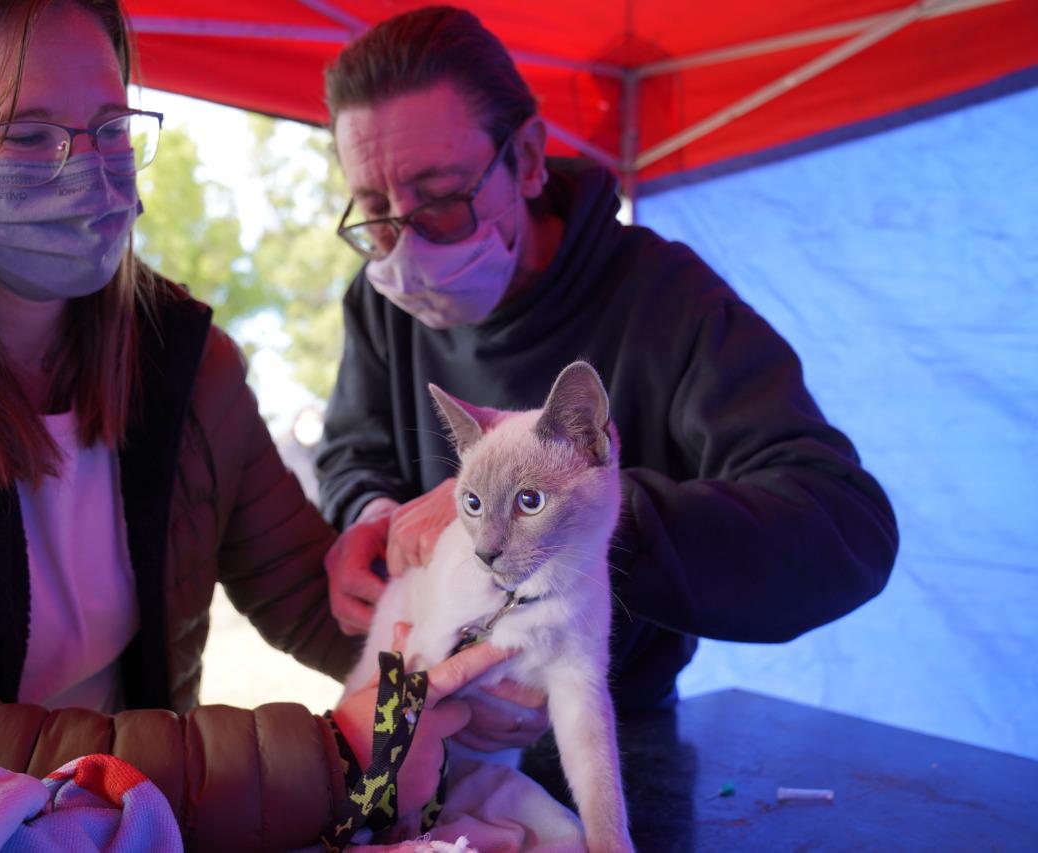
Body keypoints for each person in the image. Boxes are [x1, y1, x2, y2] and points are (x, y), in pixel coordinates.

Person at [0, 2, 516, 849]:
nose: (87, 170)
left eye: (111, 125)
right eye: (25, 135)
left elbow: (317, 592)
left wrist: (459, 611)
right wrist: (340, 754)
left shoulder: (184, 363)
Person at [316, 4, 900, 774]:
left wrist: (586, 518)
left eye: (441, 199)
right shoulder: (377, 298)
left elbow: (845, 529)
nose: (406, 250)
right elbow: (354, 450)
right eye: (379, 216)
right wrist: (372, 516)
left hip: (615, 732)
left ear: (527, 158)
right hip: (434, 727)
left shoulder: (669, 303)